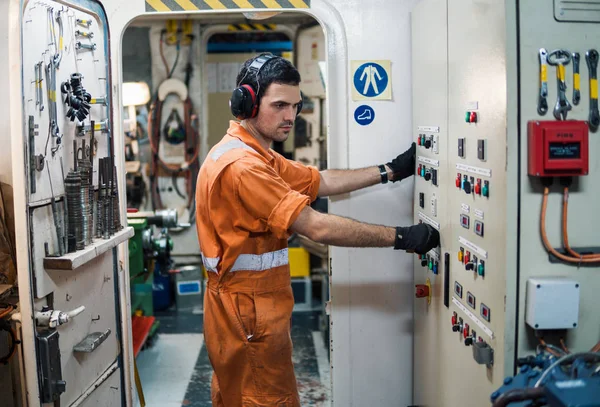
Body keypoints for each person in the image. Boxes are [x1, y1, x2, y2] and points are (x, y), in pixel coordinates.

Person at [195, 53, 439, 407]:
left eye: (295, 105)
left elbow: (319, 181)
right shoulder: (243, 166)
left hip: (247, 307)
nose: (290, 116)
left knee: (239, 396)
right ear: (246, 102)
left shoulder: (254, 152)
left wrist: (390, 170)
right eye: (279, 105)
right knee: (266, 399)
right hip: (247, 312)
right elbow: (317, 226)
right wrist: (402, 238)